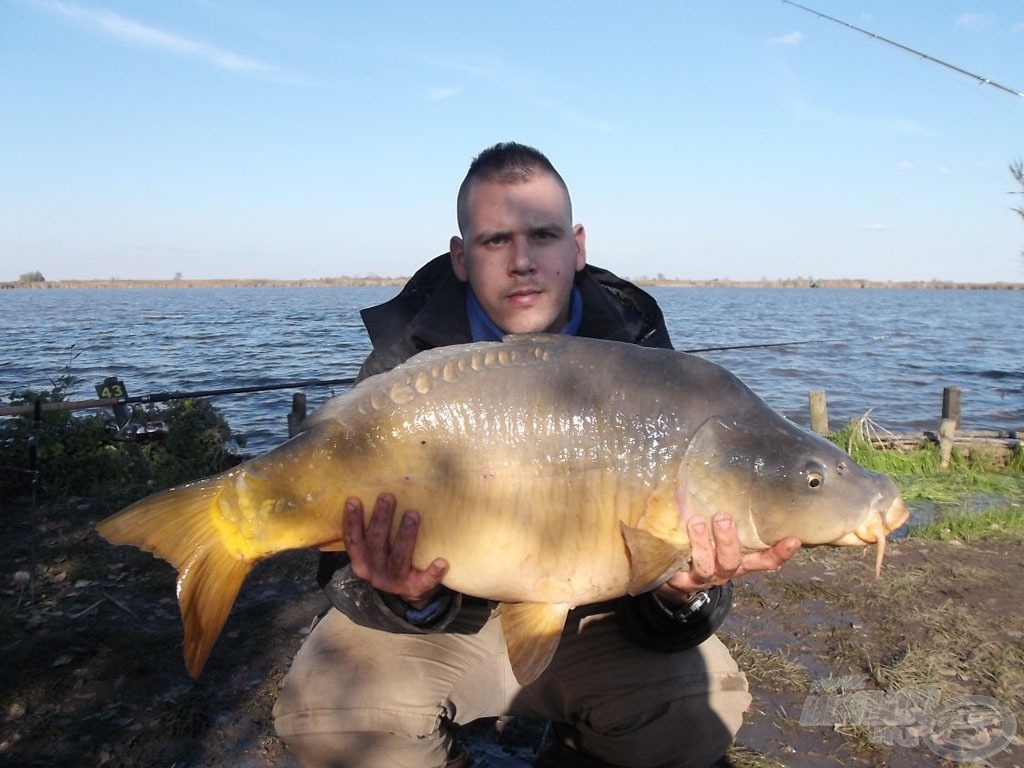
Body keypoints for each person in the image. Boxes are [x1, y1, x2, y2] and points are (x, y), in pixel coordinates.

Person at [273, 142, 800, 768]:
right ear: (461, 257)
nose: (522, 262)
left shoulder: (644, 356)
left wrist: (677, 592)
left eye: (543, 235)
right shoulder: (403, 363)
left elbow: (678, 579)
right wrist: (408, 598)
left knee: (692, 713)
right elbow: (337, 575)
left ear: (576, 246)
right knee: (326, 717)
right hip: (450, 621)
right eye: (496, 241)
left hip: (595, 617)